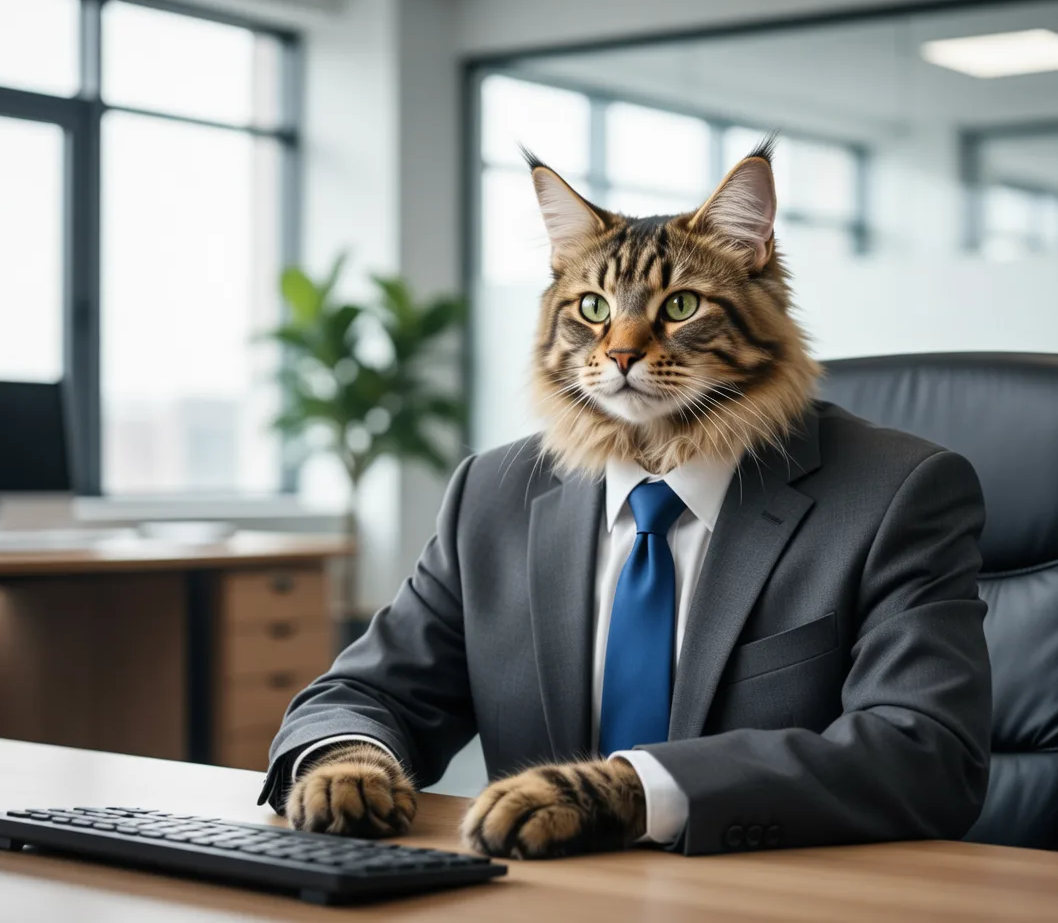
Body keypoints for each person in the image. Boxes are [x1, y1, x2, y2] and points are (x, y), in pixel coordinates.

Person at [259, 141, 992, 858]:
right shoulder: (492, 495)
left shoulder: (898, 492)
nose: (624, 345)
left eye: (679, 306)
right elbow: (364, 694)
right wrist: (346, 760)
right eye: (591, 307)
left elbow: (925, 753)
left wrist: (631, 794)